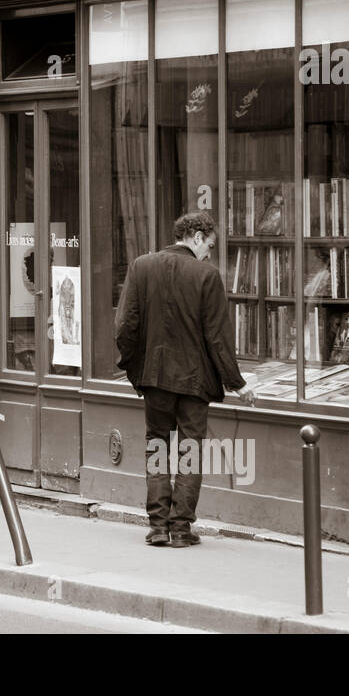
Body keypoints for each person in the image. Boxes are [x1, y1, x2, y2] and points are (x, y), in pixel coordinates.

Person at [114, 211, 255, 548]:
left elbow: (125, 328)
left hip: (155, 377)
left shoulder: (141, 267)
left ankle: (158, 526)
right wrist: (238, 383)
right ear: (195, 237)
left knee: (157, 446)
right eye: (209, 244)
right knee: (190, 450)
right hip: (194, 382)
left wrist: (136, 370)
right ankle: (181, 528)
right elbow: (218, 339)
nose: (209, 252)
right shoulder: (207, 276)